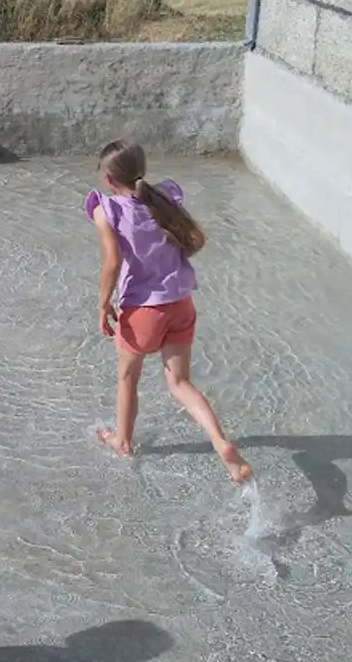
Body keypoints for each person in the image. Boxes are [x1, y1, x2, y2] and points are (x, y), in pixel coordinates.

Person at [85, 140, 252, 485]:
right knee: (179, 382)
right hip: (180, 304)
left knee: (128, 378)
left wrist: (103, 306)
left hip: (143, 310)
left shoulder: (107, 209)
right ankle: (221, 443)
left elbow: (112, 262)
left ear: (109, 179)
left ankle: (123, 442)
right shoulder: (166, 196)